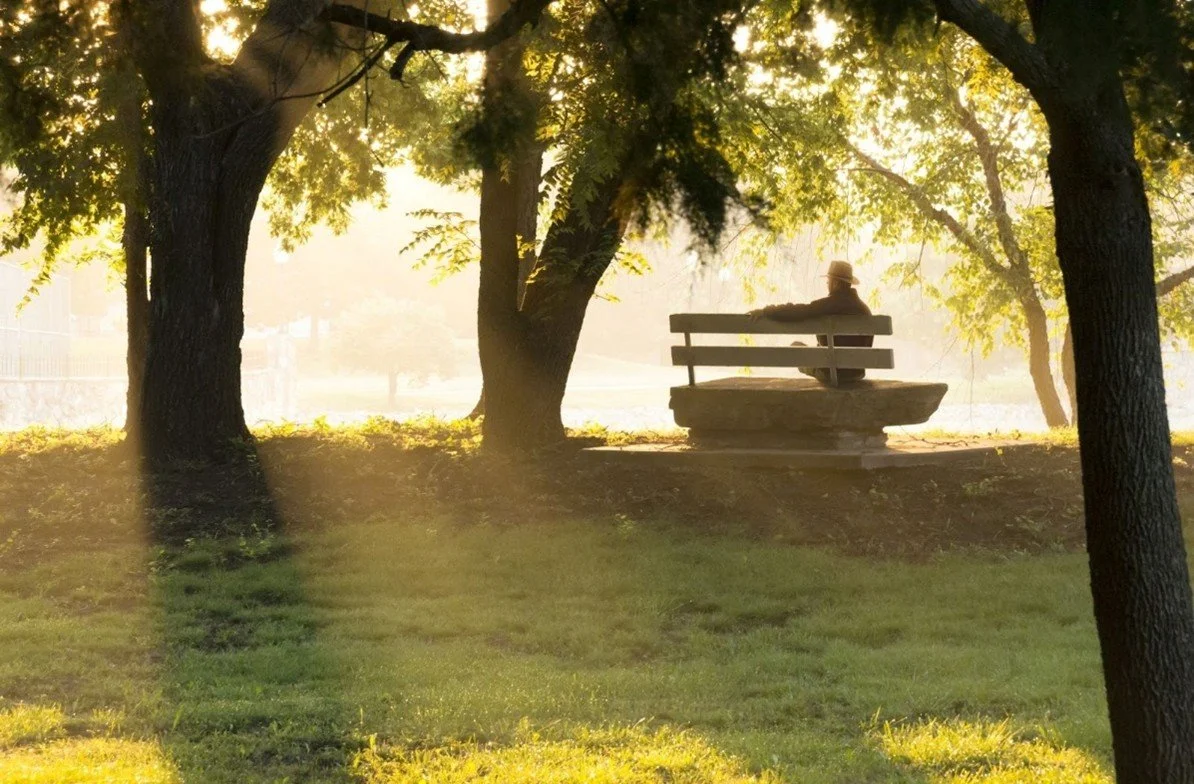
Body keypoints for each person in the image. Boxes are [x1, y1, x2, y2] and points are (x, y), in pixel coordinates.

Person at [746, 260, 873, 383]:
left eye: (828, 281)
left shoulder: (828, 305)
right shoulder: (865, 310)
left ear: (835, 284)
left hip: (829, 373)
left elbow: (797, 311)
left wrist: (766, 311)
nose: (827, 285)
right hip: (856, 374)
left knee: (795, 347)